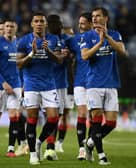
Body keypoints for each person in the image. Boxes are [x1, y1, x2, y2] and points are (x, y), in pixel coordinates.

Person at [16, 12, 66, 165]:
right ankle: (32, 154)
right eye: (36, 21)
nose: (39, 23)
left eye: (41, 21)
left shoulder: (53, 39)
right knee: (32, 119)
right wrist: (32, 53)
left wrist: (48, 51)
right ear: (32, 24)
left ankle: (38, 142)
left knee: (53, 118)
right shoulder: (24, 40)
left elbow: (58, 60)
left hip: (49, 85)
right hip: (31, 85)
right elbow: (18, 63)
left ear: (46, 24)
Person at [80, 7, 127, 165]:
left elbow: (122, 51)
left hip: (111, 83)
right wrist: (100, 43)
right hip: (94, 84)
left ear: (106, 18)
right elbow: (85, 56)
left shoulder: (115, 34)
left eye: (98, 16)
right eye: (93, 16)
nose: (94, 18)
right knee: (97, 121)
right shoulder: (87, 36)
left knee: (112, 123)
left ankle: (89, 143)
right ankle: (101, 155)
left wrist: (107, 37)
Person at [0, 19, 22, 158]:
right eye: (7, 26)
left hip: (15, 84)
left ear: (15, 28)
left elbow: (19, 64)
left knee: (14, 115)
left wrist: (22, 82)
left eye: (11, 26)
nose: (8, 28)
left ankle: (11, 149)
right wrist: (3, 83)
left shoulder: (18, 43)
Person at [43, 14, 74, 161]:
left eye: (61, 23)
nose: (60, 26)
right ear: (50, 25)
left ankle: (50, 145)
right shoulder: (44, 40)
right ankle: (47, 147)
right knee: (48, 116)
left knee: (58, 117)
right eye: (57, 23)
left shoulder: (67, 39)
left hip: (61, 83)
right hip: (45, 84)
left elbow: (76, 50)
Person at [69, 12, 92, 160]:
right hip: (79, 82)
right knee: (82, 114)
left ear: (90, 23)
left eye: (83, 23)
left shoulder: (98, 38)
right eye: (79, 23)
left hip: (95, 83)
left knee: (94, 116)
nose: (80, 25)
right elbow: (64, 48)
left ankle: (90, 145)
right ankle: (82, 149)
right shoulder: (75, 40)